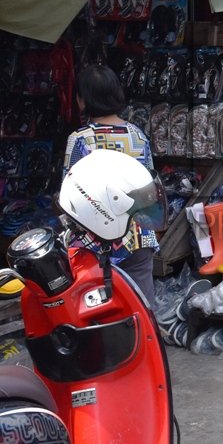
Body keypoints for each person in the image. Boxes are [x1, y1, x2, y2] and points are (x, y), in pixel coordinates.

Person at [63, 65, 158, 299]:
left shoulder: (81, 140)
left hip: (94, 242)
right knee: (141, 306)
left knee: (100, 310)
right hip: (137, 234)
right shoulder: (137, 135)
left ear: (82, 100)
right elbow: (149, 186)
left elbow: (68, 193)